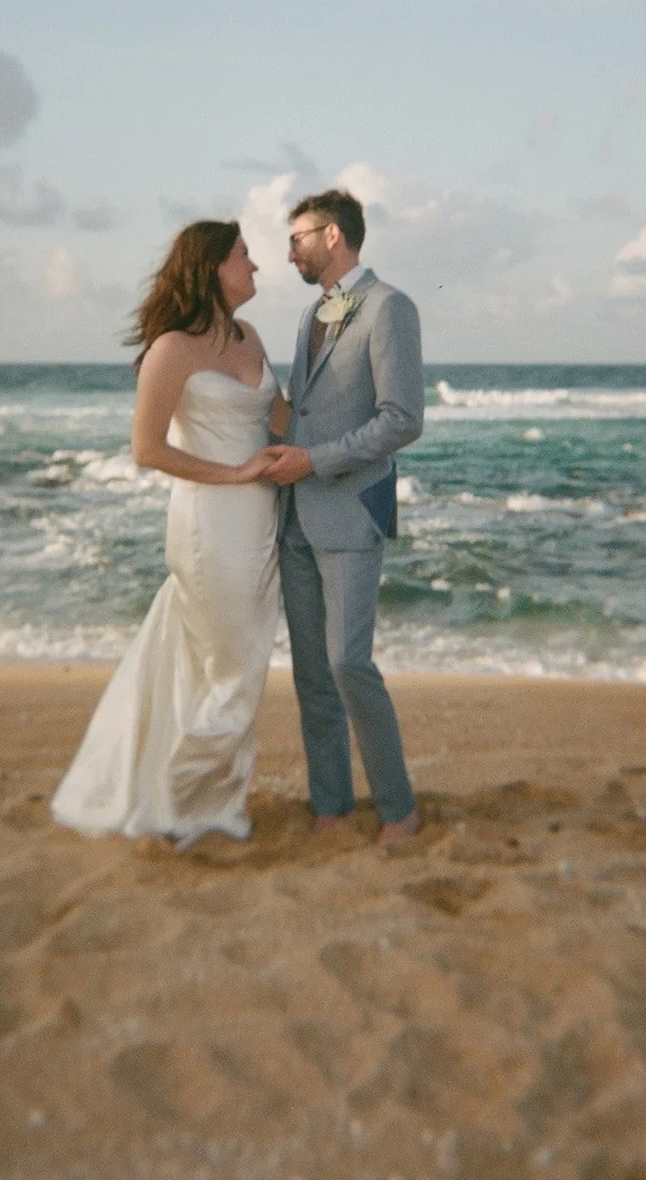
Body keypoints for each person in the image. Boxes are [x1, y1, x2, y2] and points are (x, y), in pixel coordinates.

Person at [51, 220, 288, 847]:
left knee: (236, 664)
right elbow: (146, 449)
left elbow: (284, 421)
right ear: (211, 268)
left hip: (262, 526)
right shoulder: (171, 349)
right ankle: (182, 804)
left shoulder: (251, 337)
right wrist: (235, 472)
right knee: (231, 667)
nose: (256, 266)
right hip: (210, 527)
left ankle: (207, 800)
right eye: (244, 256)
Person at [263, 189, 424, 844]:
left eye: (298, 236)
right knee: (310, 675)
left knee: (347, 664)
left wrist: (314, 462)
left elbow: (402, 419)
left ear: (333, 236)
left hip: (351, 511)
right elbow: (299, 412)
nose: (289, 250)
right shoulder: (309, 317)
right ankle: (330, 807)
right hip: (294, 515)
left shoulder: (389, 308)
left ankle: (398, 809)